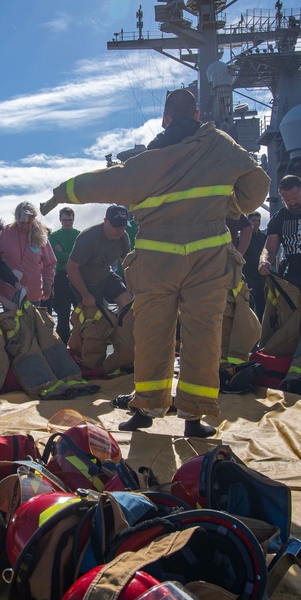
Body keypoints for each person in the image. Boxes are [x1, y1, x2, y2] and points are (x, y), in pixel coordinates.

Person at [42, 88, 269, 437]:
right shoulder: (219, 144)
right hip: (206, 258)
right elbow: (258, 182)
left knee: (151, 334)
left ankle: (146, 408)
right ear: (196, 115)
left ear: (165, 118)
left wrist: (62, 192)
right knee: (203, 335)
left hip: (157, 259)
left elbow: (108, 182)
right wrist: (233, 206)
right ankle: (194, 417)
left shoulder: (151, 157)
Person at [67, 205, 133, 311]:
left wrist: (131, 287)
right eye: (116, 226)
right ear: (105, 221)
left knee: (127, 300)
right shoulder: (89, 238)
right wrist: (86, 295)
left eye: (123, 226)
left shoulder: (123, 237)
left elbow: (127, 263)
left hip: (105, 275)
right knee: (94, 318)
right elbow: (71, 267)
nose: (120, 230)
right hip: (85, 282)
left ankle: (122, 326)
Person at [0, 202, 56, 307]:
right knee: (12, 323)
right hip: (9, 294)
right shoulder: (4, 233)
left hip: (33, 293)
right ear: (16, 218)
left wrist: (48, 284)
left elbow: (50, 263)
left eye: (29, 223)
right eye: (22, 223)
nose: (25, 226)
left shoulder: (40, 235)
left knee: (31, 323)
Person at [49, 207, 80, 342]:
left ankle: (80, 340)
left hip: (78, 275)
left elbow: (83, 256)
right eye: (65, 220)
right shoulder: (54, 236)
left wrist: (64, 255)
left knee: (80, 309)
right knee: (63, 311)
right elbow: (57, 257)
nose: (67, 223)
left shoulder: (80, 235)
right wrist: (74, 255)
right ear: (60, 220)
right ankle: (62, 342)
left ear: (73, 220)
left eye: (70, 220)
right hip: (61, 275)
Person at [242, 212, 267, 317]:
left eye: (258, 221)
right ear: (249, 221)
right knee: (250, 305)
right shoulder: (243, 238)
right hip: (249, 276)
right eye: (254, 220)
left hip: (261, 277)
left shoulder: (264, 237)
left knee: (263, 304)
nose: (256, 223)